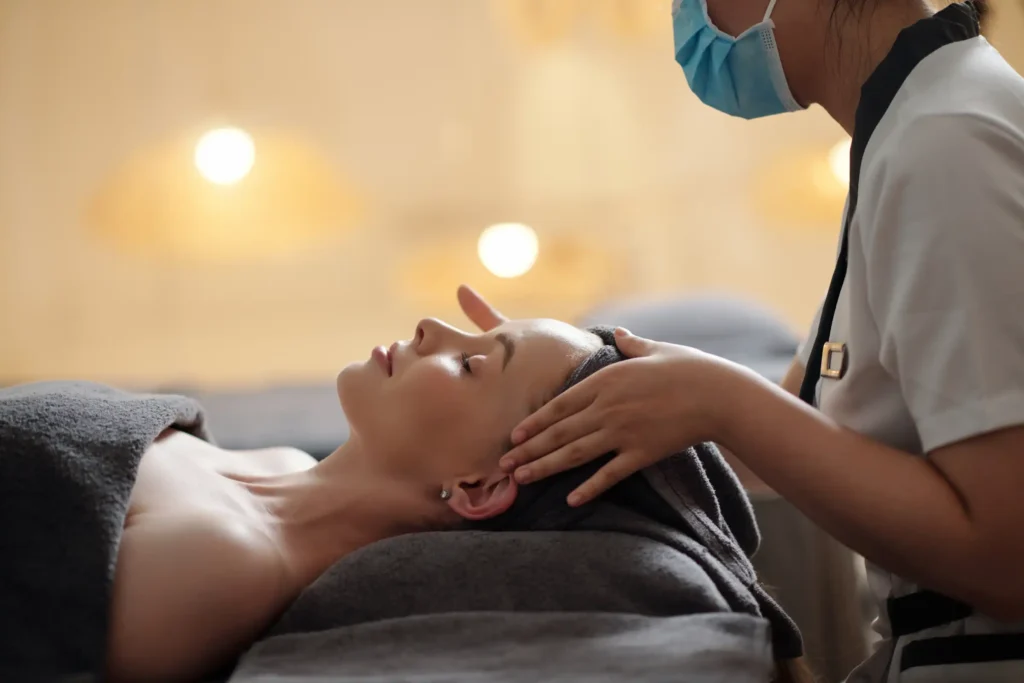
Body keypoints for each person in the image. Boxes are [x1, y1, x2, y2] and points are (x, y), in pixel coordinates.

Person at [460, 0, 1024, 680]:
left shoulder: (945, 145)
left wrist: (719, 399)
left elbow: (1008, 557)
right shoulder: (911, 130)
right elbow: (791, 432)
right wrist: (550, 390)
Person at [106, 317, 602, 682]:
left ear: (480, 487)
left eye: (470, 363)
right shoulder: (284, 460)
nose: (431, 326)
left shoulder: (221, 562)